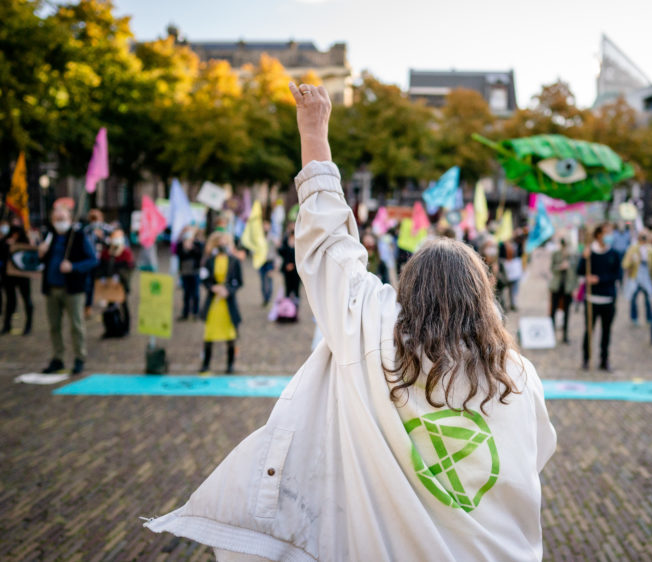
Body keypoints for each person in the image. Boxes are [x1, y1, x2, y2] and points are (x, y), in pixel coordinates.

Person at [146, 82, 556, 561]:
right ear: (483, 299)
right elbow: (532, 454)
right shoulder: (518, 375)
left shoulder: (372, 330)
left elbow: (328, 244)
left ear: (407, 289)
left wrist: (313, 132)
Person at [39, 206, 98, 375]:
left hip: (73, 290)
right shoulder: (49, 237)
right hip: (52, 289)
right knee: (54, 326)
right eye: (57, 219)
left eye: (62, 218)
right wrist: (40, 254)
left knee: (76, 325)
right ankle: (57, 358)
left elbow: (93, 260)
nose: (59, 222)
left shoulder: (78, 236)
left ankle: (79, 357)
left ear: (70, 220)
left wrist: (73, 267)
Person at [577, 223, 623, 371]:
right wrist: (584, 258)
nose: (609, 235)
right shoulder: (590, 253)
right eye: (606, 232)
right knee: (589, 331)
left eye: (610, 232)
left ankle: (604, 360)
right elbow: (580, 271)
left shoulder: (614, 254)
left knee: (606, 331)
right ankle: (586, 359)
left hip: (608, 298)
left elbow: (617, 275)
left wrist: (600, 279)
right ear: (598, 235)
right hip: (592, 298)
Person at [199, 231, 243, 374]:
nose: (222, 245)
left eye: (225, 242)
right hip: (214, 303)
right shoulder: (209, 261)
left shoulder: (234, 261)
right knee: (209, 335)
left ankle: (230, 365)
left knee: (230, 336)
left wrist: (228, 290)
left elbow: (239, 282)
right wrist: (212, 287)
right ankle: (206, 364)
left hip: (228, 304)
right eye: (219, 242)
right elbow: (204, 279)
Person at [97, 228, 135, 337]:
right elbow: (101, 267)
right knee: (109, 307)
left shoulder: (126, 253)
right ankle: (110, 329)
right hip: (108, 285)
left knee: (124, 307)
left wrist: (120, 276)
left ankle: (125, 328)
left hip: (121, 285)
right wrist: (103, 277)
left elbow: (129, 269)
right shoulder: (106, 253)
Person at [1, 223, 34, 335]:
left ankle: (28, 325)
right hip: (8, 276)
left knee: (27, 300)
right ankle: (7, 325)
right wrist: (6, 245)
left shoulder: (25, 241)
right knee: (10, 301)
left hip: (22, 276)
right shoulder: (5, 241)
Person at [622, 231, 652, 327]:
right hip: (635, 276)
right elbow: (625, 263)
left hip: (647, 276)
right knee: (633, 297)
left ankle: (649, 318)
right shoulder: (633, 248)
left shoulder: (651, 249)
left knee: (648, 298)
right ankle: (634, 317)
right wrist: (631, 262)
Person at [549, 237, 577, 343]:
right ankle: (551, 333)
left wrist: (575, 287)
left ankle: (565, 335)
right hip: (556, 286)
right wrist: (560, 267)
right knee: (553, 311)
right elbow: (552, 268)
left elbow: (575, 273)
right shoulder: (556, 254)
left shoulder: (573, 256)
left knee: (566, 311)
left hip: (567, 288)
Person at [176, 226, 203, 320]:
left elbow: (199, 255)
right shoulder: (180, 244)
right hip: (185, 272)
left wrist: (192, 248)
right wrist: (184, 248)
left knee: (195, 293)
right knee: (186, 293)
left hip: (195, 272)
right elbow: (178, 254)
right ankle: (185, 313)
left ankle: (196, 313)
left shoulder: (197, 244)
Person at [279, 229, 301, 302]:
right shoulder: (286, 245)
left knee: (296, 289)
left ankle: (296, 304)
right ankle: (287, 304)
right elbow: (281, 252)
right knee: (287, 288)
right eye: (291, 238)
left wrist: (293, 265)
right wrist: (288, 246)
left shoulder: (299, 247)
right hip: (287, 271)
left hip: (296, 272)